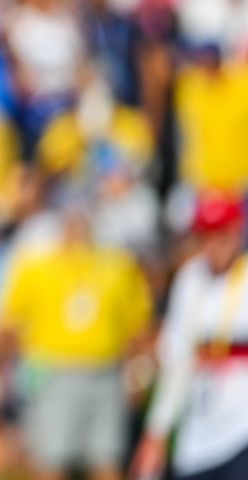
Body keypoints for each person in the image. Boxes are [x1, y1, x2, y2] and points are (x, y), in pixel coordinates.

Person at [0, 197, 151, 480]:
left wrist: (138, 374)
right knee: (51, 460)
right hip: (52, 371)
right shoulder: (36, 267)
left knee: (108, 458)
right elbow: (8, 325)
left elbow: (137, 328)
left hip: (106, 372)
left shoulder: (117, 266)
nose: (75, 227)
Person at [132, 193, 248, 480]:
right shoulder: (190, 279)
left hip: (242, 428)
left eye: (221, 235)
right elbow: (177, 358)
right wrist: (156, 432)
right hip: (198, 430)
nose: (213, 246)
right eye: (205, 237)